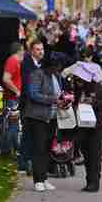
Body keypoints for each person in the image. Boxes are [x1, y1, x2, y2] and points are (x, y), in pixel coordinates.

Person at [24, 53, 66, 192]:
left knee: (48, 147)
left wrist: (64, 99)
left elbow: (59, 93)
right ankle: (38, 180)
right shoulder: (37, 74)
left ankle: (44, 177)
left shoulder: (56, 76)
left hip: (52, 116)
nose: (57, 69)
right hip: (37, 117)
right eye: (56, 67)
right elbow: (33, 94)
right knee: (39, 148)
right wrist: (53, 99)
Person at [73, 67, 102, 192]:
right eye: (76, 79)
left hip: (98, 126)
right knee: (86, 154)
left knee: (95, 154)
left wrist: (93, 102)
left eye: (80, 79)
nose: (77, 81)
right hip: (83, 126)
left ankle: (94, 182)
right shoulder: (78, 89)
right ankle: (89, 180)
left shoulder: (99, 88)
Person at [20, 40, 45, 173]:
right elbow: (27, 84)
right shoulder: (27, 64)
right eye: (37, 49)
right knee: (27, 134)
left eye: (41, 49)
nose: (40, 52)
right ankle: (24, 162)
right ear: (31, 51)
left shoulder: (42, 64)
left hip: (39, 105)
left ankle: (33, 161)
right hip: (28, 104)